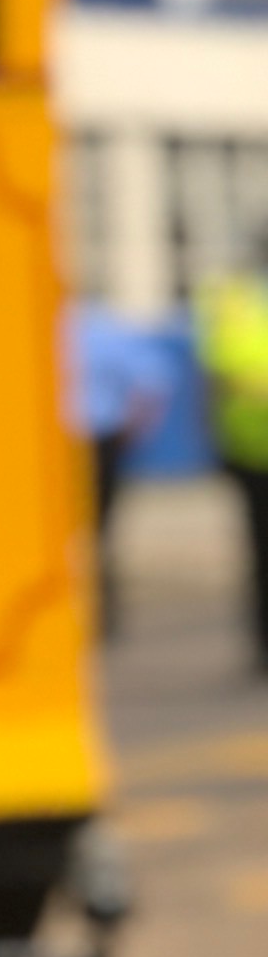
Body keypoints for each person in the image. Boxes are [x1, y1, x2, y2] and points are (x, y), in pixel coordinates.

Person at [63, 298, 171, 641]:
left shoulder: (48, 325)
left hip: (67, 441)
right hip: (102, 439)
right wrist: (136, 429)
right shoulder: (106, 328)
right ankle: (102, 614)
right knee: (99, 532)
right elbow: (154, 381)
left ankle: (77, 610)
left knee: (65, 533)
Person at [194, 240, 268, 668]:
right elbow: (219, 375)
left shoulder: (234, 301)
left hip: (245, 448)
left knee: (257, 553)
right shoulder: (235, 301)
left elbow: (214, 378)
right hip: (249, 449)